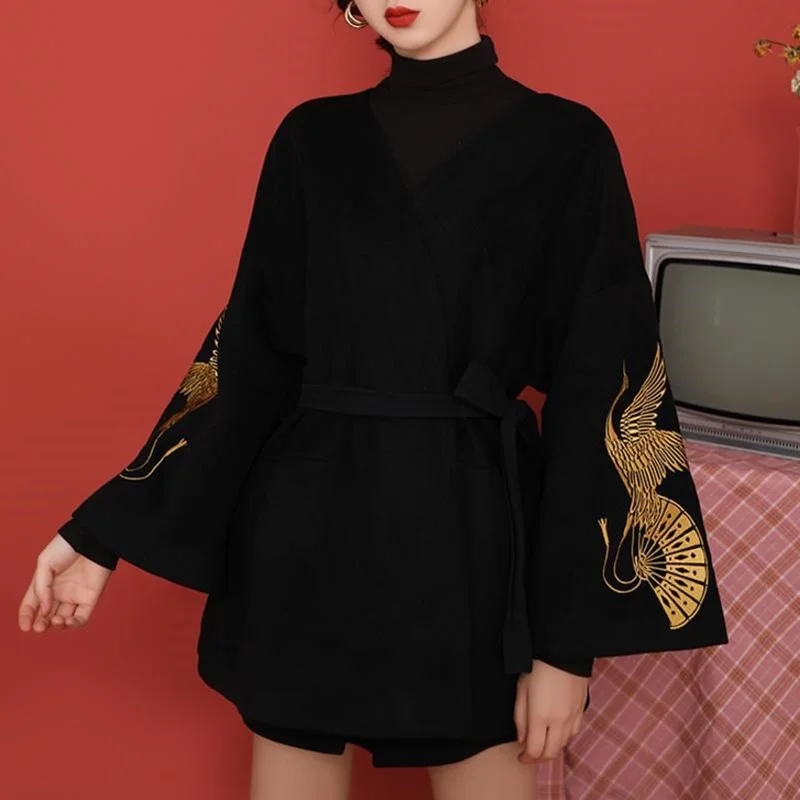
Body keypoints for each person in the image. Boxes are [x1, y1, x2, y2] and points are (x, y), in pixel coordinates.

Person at [17, 2, 729, 799]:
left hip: (471, 546)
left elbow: (605, 381)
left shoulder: (568, 143)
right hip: (304, 538)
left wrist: (564, 649)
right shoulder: (312, 139)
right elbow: (247, 357)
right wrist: (101, 534)